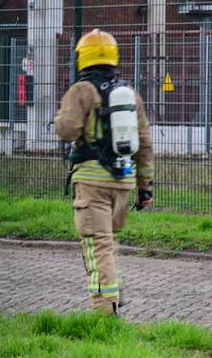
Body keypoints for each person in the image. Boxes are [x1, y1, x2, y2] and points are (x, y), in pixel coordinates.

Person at [53, 28, 154, 314]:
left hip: (92, 182)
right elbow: (145, 144)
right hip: (123, 182)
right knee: (107, 243)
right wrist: (145, 188)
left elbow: (68, 131)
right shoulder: (129, 94)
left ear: (82, 58)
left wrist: (60, 117)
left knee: (96, 247)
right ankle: (114, 295)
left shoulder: (81, 91)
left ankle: (104, 313)